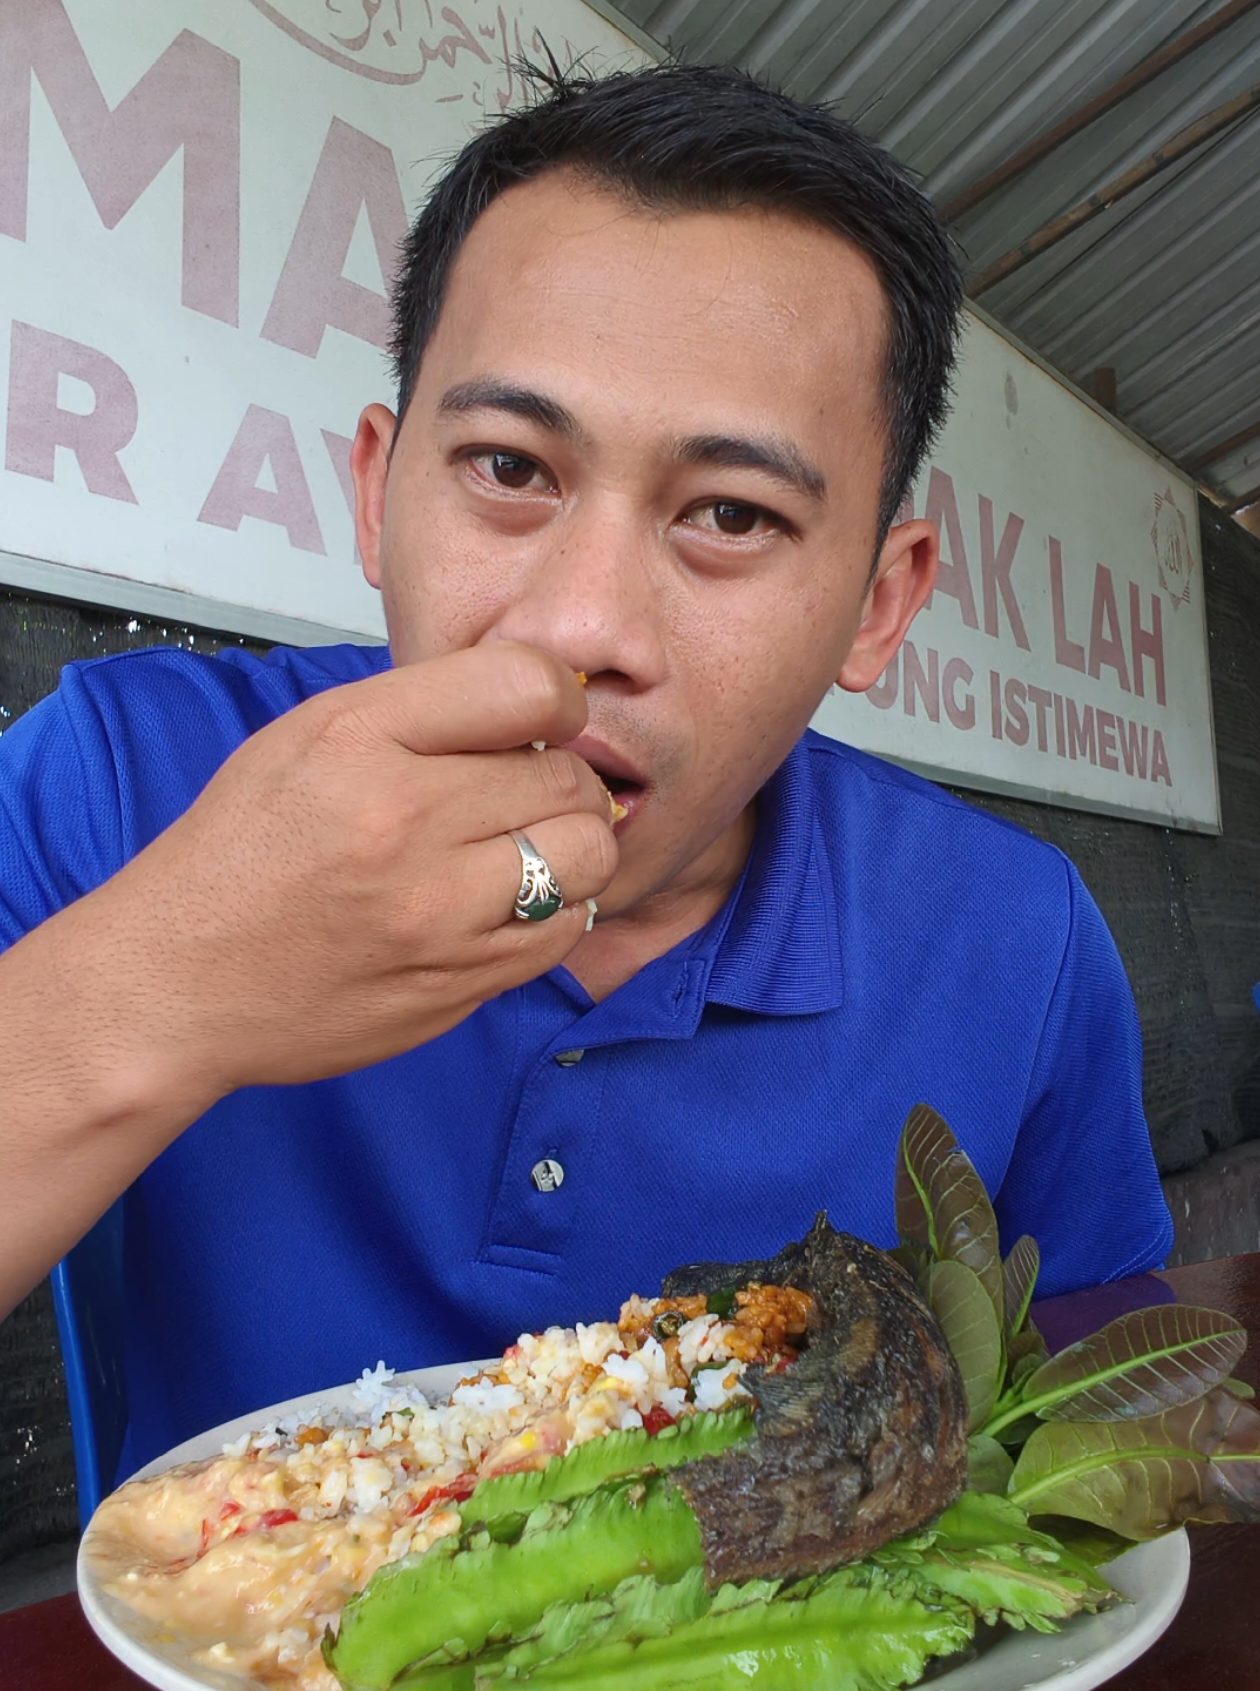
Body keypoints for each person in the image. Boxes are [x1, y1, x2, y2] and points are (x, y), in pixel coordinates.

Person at [0, 63, 1171, 1478]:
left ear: (881, 600)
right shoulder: (128, 777)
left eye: (731, 512)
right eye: (508, 468)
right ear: (377, 495)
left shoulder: (1015, 939)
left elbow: (1102, 1439)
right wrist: (169, 977)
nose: (584, 626)